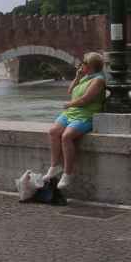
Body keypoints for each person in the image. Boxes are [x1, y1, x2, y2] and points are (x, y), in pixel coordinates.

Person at [46, 52, 106, 190]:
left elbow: (86, 99)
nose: (80, 65)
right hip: (70, 113)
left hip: (85, 115)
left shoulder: (98, 80)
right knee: (53, 132)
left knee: (67, 136)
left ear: (89, 66)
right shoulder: (84, 77)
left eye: (83, 63)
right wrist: (78, 76)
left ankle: (67, 174)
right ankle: (54, 166)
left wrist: (69, 104)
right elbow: (70, 91)